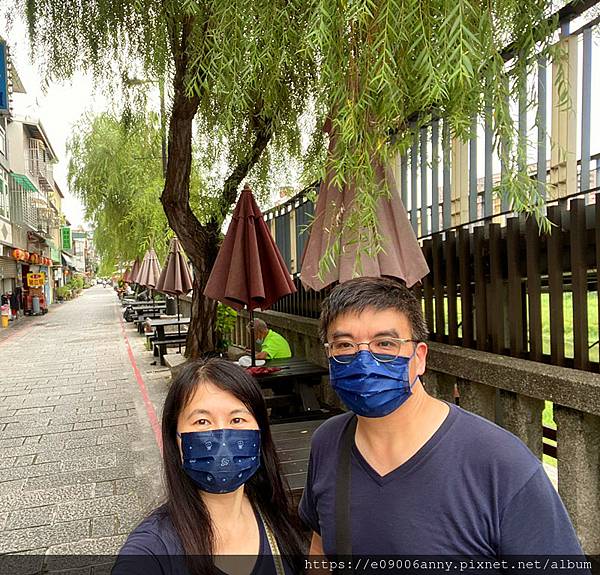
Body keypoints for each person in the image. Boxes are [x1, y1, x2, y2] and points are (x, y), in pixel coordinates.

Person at [299, 276, 584, 558]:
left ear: (419, 356)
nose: (363, 360)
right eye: (345, 345)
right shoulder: (328, 442)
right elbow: (320, 550)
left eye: (385, 344)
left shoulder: (500, 463)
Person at [113, 358, 305, 575]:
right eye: (202, 422)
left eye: (237, 420)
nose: (222, 436)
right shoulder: (153, 550)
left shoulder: (273, 513)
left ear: (260, 432)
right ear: (175, 439)